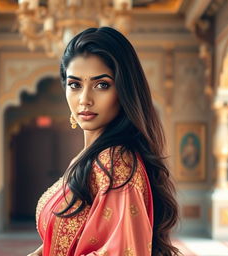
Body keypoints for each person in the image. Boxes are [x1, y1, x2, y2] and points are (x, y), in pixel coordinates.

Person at [28, 27, 180, 256]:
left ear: (124, 90)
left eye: (102, 85)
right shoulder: (87, 158)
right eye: (74, 84)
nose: (84, 99)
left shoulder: (116, 164)